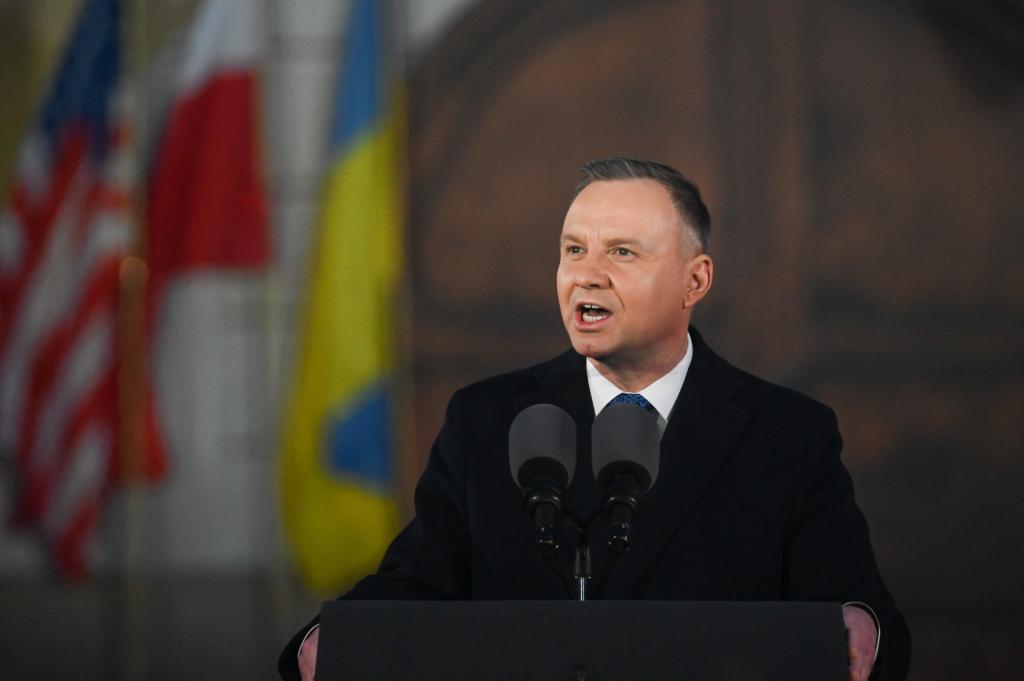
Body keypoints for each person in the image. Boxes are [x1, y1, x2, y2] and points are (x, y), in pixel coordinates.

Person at [279, 157, 911, 681]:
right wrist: (329, 638)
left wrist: (860, 624)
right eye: (574, 250)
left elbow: (854, 604)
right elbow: (417, 583)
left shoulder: (787, 434)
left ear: (695, 281)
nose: (587, 275)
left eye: (623, 252)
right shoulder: (487, 420)